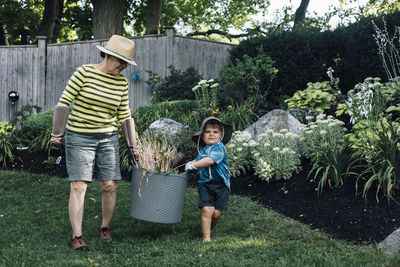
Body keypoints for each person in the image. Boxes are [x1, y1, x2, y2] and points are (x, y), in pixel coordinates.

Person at [50, 35, 139, 250]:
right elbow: (64, 103)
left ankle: (105, 227)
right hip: (80, 135)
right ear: (109, 55)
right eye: (121, 61)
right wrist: (56, 135)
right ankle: (77, 235)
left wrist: (132, 145)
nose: (123, 66)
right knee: (79, 185)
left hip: (107, 137)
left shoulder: (121, 83)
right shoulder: (84, 72)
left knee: (109, 185)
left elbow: (124, 115)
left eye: (126, 63)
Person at [185, 117, 232, 242]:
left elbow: (210, 161)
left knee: (216, 214)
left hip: (221, 185)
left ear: (221, 135)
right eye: (207, 132)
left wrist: (194, 165)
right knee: (207, 209)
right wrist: (191, 163)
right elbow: (199, 159)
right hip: (206, 184)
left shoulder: (219, 148)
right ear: (202, 135)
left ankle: (209, 227)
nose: (211, 134)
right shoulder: (204, 150)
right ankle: (206, 238)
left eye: (215, 132)